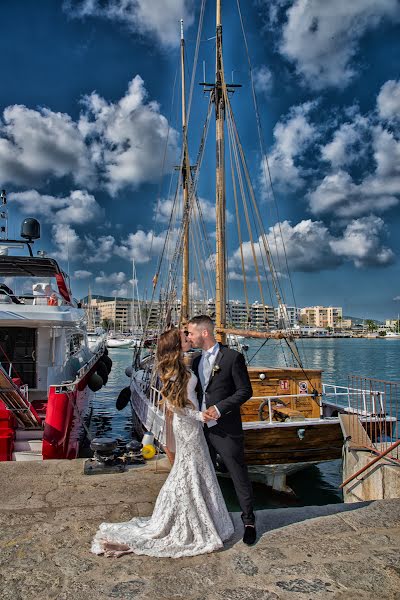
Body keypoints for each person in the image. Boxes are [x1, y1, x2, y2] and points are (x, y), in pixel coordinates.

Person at [91, 327, 234, 558]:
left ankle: (199, 513)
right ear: (175, 345)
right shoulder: (176, 371)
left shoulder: (180, 366)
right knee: (187, 470)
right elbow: (175, 406)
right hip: (188, 425)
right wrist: (200, 416)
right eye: (184, 337)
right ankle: (178, 517)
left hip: (191, 425)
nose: (188, 338)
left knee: (193, 469)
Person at [187, 315, 256, 546]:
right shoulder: (195, 360)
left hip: (226, 428)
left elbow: (245, 391)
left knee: (238, 474)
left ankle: (249, 522)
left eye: (191, 333)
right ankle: (209, 520)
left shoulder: (233, 358)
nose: (190, 337)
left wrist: (219, 408)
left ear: (204, 333)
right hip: (201, 428)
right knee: (205, 475)